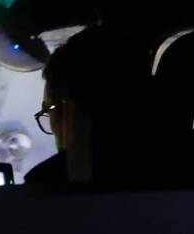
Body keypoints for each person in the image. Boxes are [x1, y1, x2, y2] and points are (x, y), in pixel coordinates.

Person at [25, 26, 157, 185]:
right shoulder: (175, 169)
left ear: (73, 112)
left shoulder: (46, 183)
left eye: (50, 109)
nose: (54, 128)